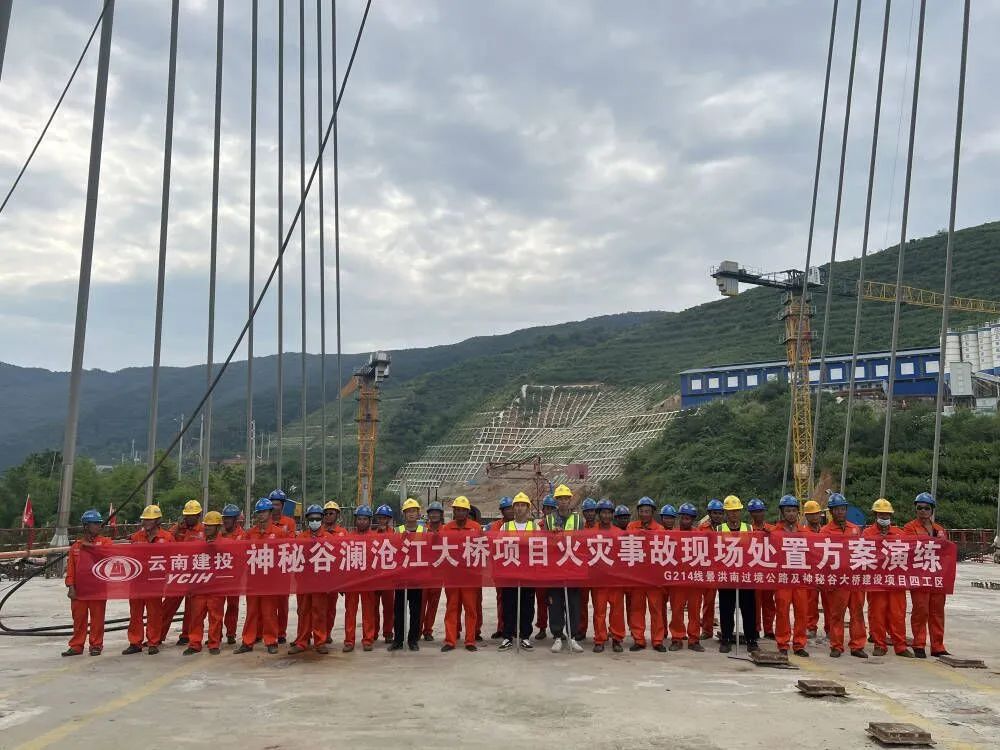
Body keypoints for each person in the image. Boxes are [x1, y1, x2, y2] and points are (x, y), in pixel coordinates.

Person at [235, 498, 287, 654]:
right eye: (259, 512)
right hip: (254, 579)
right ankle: (247, 641)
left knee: (269, 611)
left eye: (264, 512)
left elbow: (284, 555)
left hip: (270, 580)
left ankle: (271, 641)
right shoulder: (250, 534)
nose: (261, 515)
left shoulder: (279, 533)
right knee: (251, 611)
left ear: (270, 513)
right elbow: (242, 555)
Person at [865, 499, 914, 658]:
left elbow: (909, 556)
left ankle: (900, 646)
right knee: (877, 614)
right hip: (876, 582)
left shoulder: (900, 534)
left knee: (898, 614)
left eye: (887, 514)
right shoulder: (867, 534)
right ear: (875, 515)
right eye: (881, 514)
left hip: (895, 582)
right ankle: (880, 644)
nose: (884, 516)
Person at [903, 492, 949, 658]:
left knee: (937, 612)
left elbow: (946, 553)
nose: (923, 511)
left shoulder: (940, 530)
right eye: (919, 508)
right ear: (916, 509)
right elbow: (909, 549)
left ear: (932, 510)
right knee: (921, 611)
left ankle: (938, 646)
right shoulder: (909, 528)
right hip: (919, 576)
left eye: (926, 508)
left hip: (937, 577)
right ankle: (919, 644)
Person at [122, 505, 173, 655]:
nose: (147, 522)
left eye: (150, 520)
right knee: (135, 613)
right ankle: (135, 642)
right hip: (137, 581)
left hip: (155, 582)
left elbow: (173, 558)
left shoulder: (167, 538)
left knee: (154, 613)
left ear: (158, 521)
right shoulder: (136, 537)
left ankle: (153, 642)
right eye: (145, 520)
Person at [822, 493, 867, 658]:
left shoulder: (854, 529)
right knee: (837, 614)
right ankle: (836, 645)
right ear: (831, 512)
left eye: (843, 509)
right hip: (838, 579)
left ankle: (857, 646)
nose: (840, 512)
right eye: (837, 509)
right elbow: (821, 556)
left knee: (857, 612)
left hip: (855, 579)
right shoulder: (825, 531)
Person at [63, 509, 112, 657]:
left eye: (99, 523)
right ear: (86, 526)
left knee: (97, 619)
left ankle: (96, 645)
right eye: (95, 524)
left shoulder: (105, 542)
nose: (98, 526)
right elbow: (71, 570)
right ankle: (77, 645)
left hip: (98, 589)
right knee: (79, 619)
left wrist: (90, 547)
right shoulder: (76, 547)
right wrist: (71, 587)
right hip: (80, 590)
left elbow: (108, 554)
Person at [545, 484, 585, 654]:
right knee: (555, 605)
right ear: (556, 501)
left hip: (572, 568)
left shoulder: (578, 520)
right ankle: (557, 636)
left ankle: (573, 637)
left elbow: (582, 543)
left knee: (573, 604)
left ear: (570, 500)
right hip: (555, 569)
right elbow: (544, 544)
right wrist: (552, 536)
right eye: (560, 499)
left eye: (566, 498)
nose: (563, 501)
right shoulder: (548, 520)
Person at [288, 505, 332, 655]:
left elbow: (334, 561)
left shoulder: (328, 538)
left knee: (319, 612)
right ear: (307, 520)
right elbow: (294, 559)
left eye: (317, 519)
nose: (315, 521)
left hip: (320, 582)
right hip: (304, 582)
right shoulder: (300, 538)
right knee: (304, 612)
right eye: (312, 519)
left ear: (322, 519)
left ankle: (320, 641)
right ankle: (302, 641)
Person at [717, 495, 758, 654]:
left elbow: (756, 550)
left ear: (741, 512)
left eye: (736, 511)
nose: (733, 514)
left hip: (746, 576)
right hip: (727, 576)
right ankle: (726, 639)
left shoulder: (749, 529)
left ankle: (751, 640)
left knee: (749, 609)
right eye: (730, 511)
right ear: (726, 513)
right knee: (726, 609)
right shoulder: (719, 530)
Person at [161, 499, 205, 646]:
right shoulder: (178, 529)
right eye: (186, 515)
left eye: (192, 515)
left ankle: (187, 635)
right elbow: (167, 540)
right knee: (168, 606)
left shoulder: (203, 531)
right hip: (178, 574)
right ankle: (158, 635)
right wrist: (176, 529)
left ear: (198, 515)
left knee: (192, 609)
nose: (188, 518)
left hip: (195, 574)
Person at [441, 496, 482, 652]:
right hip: (452, 576)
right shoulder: (446, 528)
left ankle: (470, 640)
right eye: (457, 510)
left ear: (467, 512)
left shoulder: (476, 527)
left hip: (470, 576)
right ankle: (450, 640)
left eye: (462, 510)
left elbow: (482, 549)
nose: (459, 513)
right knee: (451, 608)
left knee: (470, 609)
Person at [185, 511, 228, 655]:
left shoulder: (226, 545)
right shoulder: (198, 544)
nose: (207, 528)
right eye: (206, 526)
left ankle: (214, 643)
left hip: (217, 588)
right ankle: (194, 643)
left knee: (215, 617)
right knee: (196, 616)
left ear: (218, 527)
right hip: (200, 586)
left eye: (211, 526)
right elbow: (191, 564)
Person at [627, 496, 666, 653]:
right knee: (637, 609)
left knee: (656, 609)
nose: (644, 514)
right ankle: (639, 639)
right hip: (637, 577)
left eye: (647, 511)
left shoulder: (660, 529)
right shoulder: (631, 527)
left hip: (653, 577)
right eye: (642, 511)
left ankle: (657, 640)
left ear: (653, 512)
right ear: (638, 512)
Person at [498, 493, 536, 652]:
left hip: (528, 573)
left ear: (528, 508)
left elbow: (540, 549)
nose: (520, 508)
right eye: (517, 505)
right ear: (513, 508)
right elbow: (499, 548)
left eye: (523, 505)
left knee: (527, 606)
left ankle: (525, 636)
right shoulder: (505, 527)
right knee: (509, 605)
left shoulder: (535, 527)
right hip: (510, 573)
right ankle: (508, 636)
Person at [772, 495, 810, 657]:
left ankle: (799, 644)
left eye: (794, 511)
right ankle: (782, 643)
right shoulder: (774, 533)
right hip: (783, 578)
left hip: (800, 579)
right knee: (782, 611)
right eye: (788, 511)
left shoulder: (805, 532)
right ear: (782, 512)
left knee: (802, 612)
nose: (791, 514)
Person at [668, 503, 705, 652]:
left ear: (693, 520)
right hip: (678, 579)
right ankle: (677, 638)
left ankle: (694, 639)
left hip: (694, 579)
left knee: (694, 611)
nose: (685, 520)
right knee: (676, 610)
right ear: (679, 518)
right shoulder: (672, 535)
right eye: (683, 517)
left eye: (688, 518)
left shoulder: (699, 535)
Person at [389, 498, 425, 652]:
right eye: (408, 511)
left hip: (417, 577)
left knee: (416, 610)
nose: (411, 514)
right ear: (404, 514)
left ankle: (413, 640)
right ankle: (398, 640)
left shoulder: (425, 531)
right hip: (401, 577)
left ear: (418, 513)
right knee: (399, 610)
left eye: (414, 511)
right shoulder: (397, 531)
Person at [592, 499, 626, 653]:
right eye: (603, 512)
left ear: (613, 515)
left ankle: (617, 639)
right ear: (598, 514)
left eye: (609, 512)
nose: (606, 515)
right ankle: (599, 639)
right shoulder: (591, 533)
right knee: (599, 611)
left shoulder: (619, 533)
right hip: (598, 580)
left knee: (617, 611)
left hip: (616, 580)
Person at [343, 506, 377, 652]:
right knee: (350, 611)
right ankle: (349, 640)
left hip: (368, 581)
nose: (361, 522)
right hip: (352, 580)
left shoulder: (375, 538)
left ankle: (368, 639)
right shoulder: (348, 537)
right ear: (355, 520)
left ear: (369, 521)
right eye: (359, 519)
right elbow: (342, 560)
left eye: (364, 519)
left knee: (369, 611)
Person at [268, 489, 296, 644]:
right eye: (272, 504)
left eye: (277, 504)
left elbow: (290, 543)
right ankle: (267, 631)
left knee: (282, 603)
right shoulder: (265, 521)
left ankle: (281, 633)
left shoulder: (289, 522)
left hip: (282, 568)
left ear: (283, 505)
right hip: (267, 567)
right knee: (267, 604)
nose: (275, 507)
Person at [747, 498, 776, 640]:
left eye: (760, 511)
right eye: (755, 512)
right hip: (754, 572)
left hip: (769, 571)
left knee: (769, 602)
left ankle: (769, 629)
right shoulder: (747, 529)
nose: (758, 514)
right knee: (755, 603)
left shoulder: (772, 529)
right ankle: (756, 628)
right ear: (751, 514)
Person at [320, 500, 347, 644]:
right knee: (317, 608)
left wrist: (343, 581)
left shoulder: (343, 533)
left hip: (334, 577)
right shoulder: (318, 531)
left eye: (331, 513)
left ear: (337, 515)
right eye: (326, 513)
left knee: (330, 608)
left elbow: (346, 556)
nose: (328, 516)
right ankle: (318, 632)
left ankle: (327, 632)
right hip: (319, 576)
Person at [489, 495, 515, 638]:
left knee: (517, 599)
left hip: (517, 568)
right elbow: (494, 544)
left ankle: (515, 627)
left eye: (512, 508)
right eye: (507, 509)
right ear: (502, 511)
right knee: (502, 599)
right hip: (500, 568)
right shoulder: (496, 526)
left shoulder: (521, 524)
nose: (510, 511)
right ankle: (502, 627)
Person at [698, 498, 724, 641]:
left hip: (725, 570)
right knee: (708, 602)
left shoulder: (727, 528)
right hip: (709, 570)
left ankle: (726, 630)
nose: (718, 516)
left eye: (720, 513)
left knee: (727, 602)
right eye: (715, 513)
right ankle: (706, 630)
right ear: (709, 513)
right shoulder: (702, 528)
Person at [801, 499, 828, 638]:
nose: (815, 517)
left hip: (827, 572)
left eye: (817, 514)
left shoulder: (826, 532)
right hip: (810, 572)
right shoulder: (803, 533)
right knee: (811, 602)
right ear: (806, 516)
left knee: (829, 602)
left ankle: (829, 628)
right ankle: (811, 627)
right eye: (811, 514)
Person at [533, 493, 558, 640]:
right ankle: (542, 627)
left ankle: (557, 629)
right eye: (546, 508)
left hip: (556, 569)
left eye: (551, 508)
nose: (548, 511)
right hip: (541, 569)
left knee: (555, 602)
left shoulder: (559, 525)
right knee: (541, 601)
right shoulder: (538, 527)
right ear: (542, 510)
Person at [219, 504, 245, 644]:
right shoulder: (219, 533)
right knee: (217, 606)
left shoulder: (242, 535)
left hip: (235, 576)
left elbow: (237, 552)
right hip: (219, 575)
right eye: (225, 518)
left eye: (229, 519)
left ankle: (231, 633)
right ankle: (216, 634)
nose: (226, 521)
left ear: (236, 520)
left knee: (232, 605)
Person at [421, 501, 446, 642]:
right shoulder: (423, 530)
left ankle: (428, 630)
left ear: (441, 515)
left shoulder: (446, 530)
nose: (434, 514)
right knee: (421, 603)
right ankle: (417, 630)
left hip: (438, 572)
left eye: (437, 512)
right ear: (428, 515)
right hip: (424, 572)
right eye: (432, 512)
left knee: (433, 603)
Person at [372, 504, 396, 643]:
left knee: (388, 607)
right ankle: (373, 632)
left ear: (389, 519)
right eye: (380, 518)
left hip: (389, 578)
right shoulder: (372, 535)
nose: (382, 521)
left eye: (385, 518)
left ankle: (388, 632)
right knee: (373, 607)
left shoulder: (394, 534)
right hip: (374, 577)